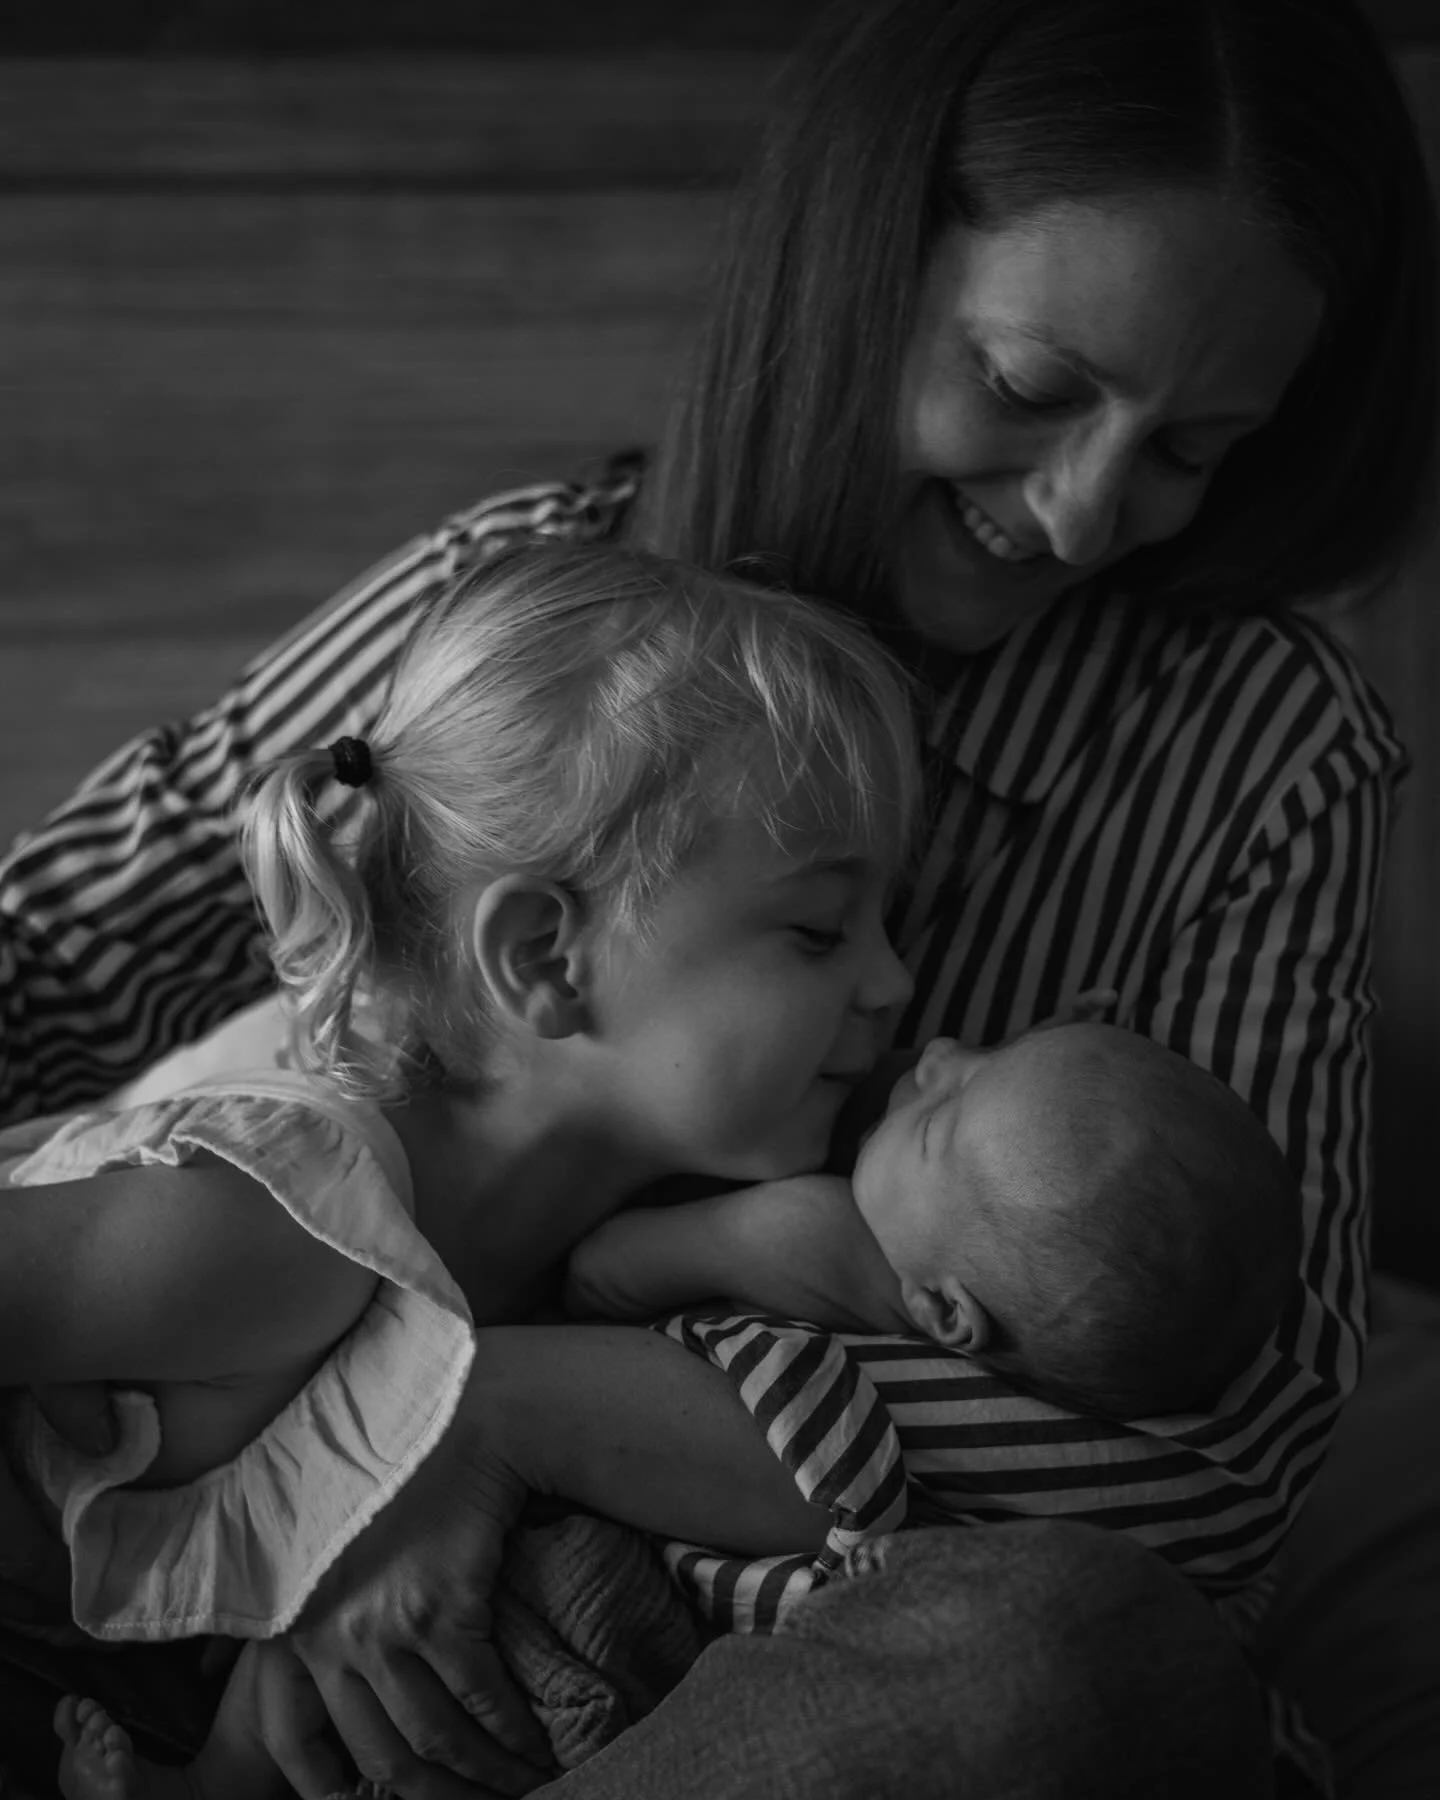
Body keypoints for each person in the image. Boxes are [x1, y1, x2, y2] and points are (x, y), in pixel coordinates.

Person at [1, 0, 1434, 1795]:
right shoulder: (525, 607)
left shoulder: (1263, 750)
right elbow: (52, 947)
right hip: (202, 1634)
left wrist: (474, 1416)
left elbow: (1202, 1480)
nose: (1082, 514)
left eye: (1194, 447)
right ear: (863, 271)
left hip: (749, 1673)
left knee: (1078, 1651)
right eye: (1026, 387)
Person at [0, 539, 919, 1800]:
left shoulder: (600, 1263)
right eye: (820, 930)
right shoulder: (285, 1230)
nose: (895, 986)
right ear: (544, 955)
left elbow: (858, 1511)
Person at [566, 1022, 1302, 1422]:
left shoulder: (800, 1232)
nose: (939, 1057)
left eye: (939, 1119)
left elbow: (598, 1267)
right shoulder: (970, 1257)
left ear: (946, 1309)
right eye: (999, 1054)